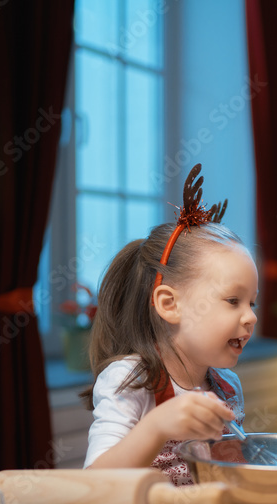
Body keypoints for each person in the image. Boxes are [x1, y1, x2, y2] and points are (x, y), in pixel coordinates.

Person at [83, 164, 258, 485]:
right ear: (169, 304)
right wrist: (157, 426)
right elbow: (96, 481)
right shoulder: (131, 380)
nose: (251, 317)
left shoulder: (227, 385)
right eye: (233, 301)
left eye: (252, 303)